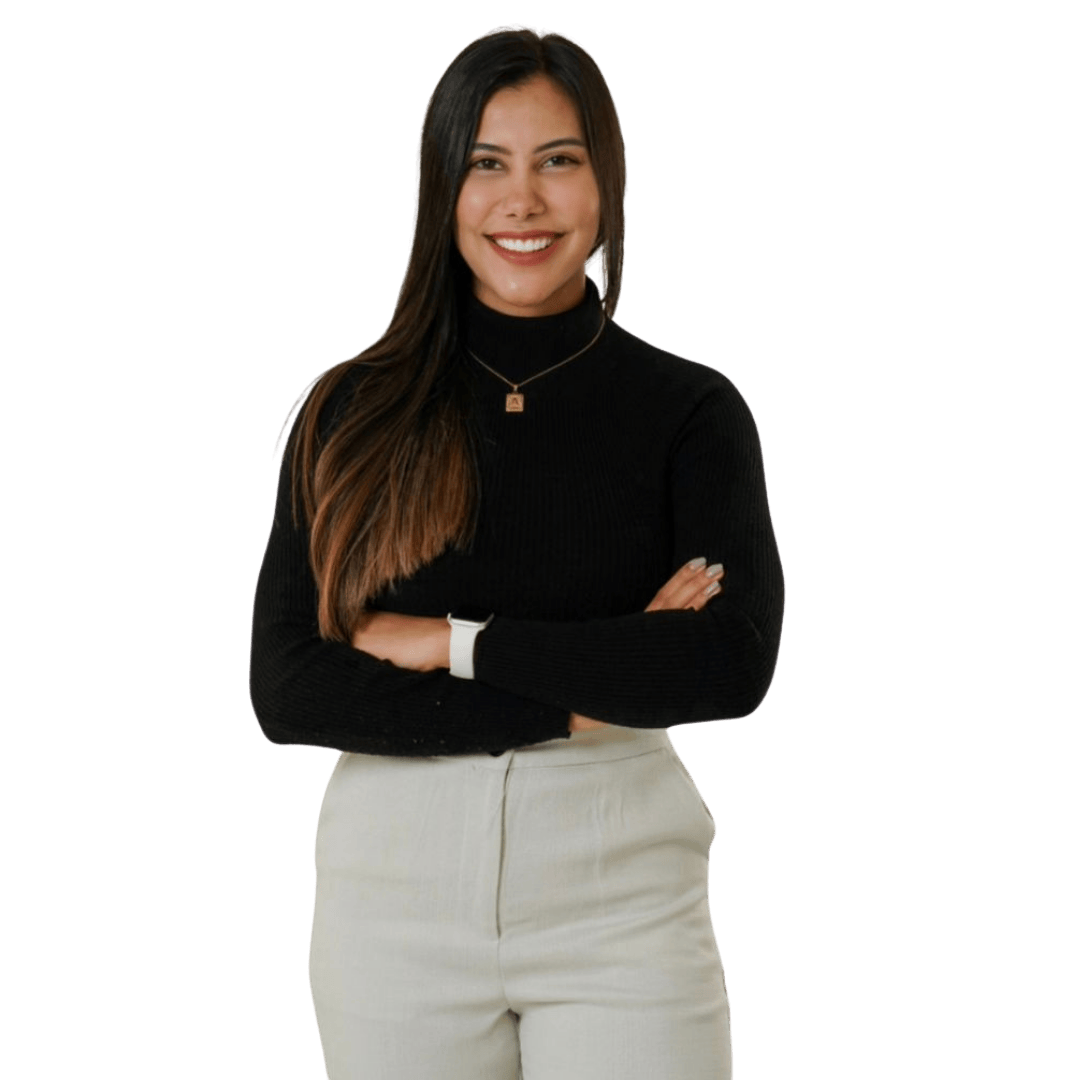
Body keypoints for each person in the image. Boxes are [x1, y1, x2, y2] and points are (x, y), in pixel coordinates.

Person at [250, 23, 782, 1080]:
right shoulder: (351, 411)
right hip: (393, 897)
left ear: (607, 183)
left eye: (558, 161)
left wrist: (448, 644)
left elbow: (727, 668)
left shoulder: (688, 409)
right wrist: (604, 676)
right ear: (442, 189)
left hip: (621, 890)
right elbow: (291, 690)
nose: (522, 202)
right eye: (486, 164)